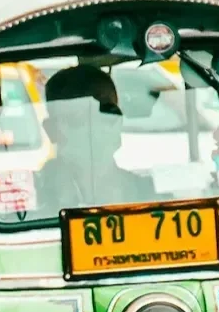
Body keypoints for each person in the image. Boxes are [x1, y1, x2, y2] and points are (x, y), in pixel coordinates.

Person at [32, 63, 155, 216]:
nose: (96, 127)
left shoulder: (150, 196)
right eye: (76, 119)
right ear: (51, 130)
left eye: (108, 113)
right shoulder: (32, 200)